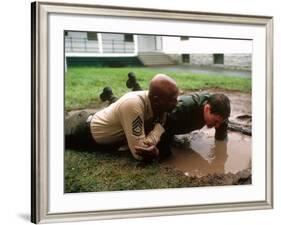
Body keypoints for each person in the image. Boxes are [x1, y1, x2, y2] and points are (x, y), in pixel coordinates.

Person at [65, 74, 179, 161]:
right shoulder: (133, 105)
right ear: (156, 100)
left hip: (98, 116)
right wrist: (158, 128)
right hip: (82, 130)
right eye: (172, 99)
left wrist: (156, 129)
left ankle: (109, 94)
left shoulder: (156, 102)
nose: (176, 102)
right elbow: (139, 152)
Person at [156, 92, 231, 157]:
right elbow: (162, 128)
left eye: (220, 122)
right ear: (207, 109)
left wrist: (219, 155)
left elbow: (221, 140)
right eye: (215, 121)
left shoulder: (221, 116)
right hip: (165, 122)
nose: (217, 125)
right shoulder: (181, 110)